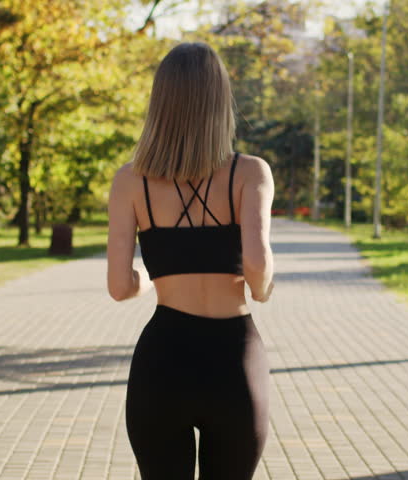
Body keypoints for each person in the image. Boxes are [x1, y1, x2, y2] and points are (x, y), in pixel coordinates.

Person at [105, 42, 275, 480]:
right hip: (232, 358)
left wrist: (147, 279)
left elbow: (119, 287)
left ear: (160, 103)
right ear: (220, 101)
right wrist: (262, 288)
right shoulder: (250, 173)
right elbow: (257, 267)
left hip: (163, 359)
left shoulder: (130, 180)